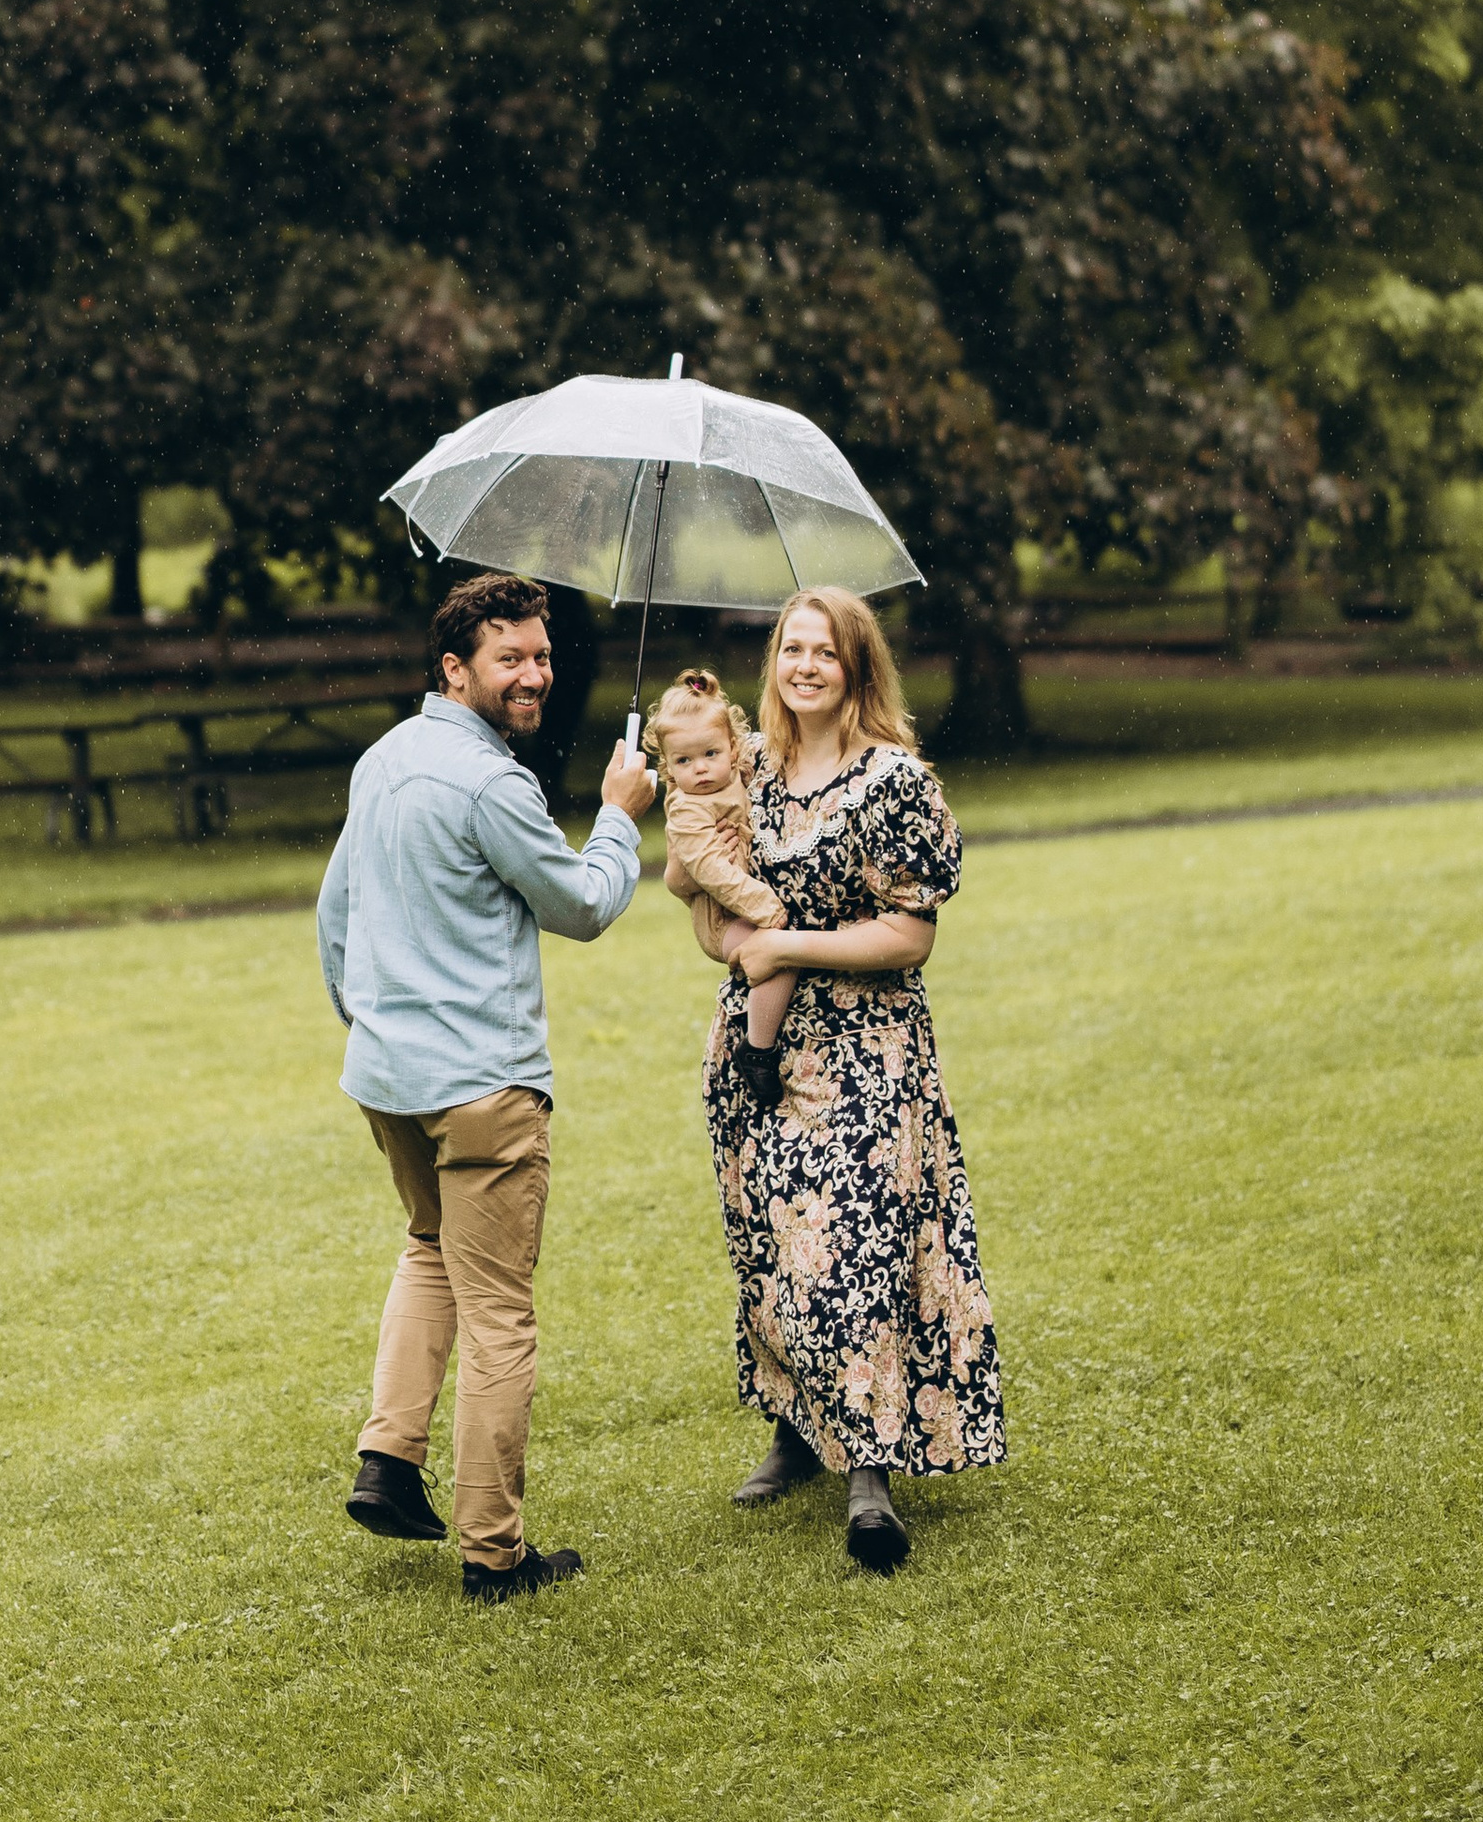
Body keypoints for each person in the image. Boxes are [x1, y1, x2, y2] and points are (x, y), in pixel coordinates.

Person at [318, 569, 652, 1604]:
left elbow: (335, 917)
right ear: (454, 668)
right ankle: (493, 1555)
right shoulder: (491, 784)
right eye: (510, 657)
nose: (534, 674)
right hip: (482, 1090)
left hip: (388, 1080)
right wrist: (620, 813)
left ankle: (387, 1459)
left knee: (430, 1250)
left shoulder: (383, 761)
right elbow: (584, 903)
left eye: (543, 655)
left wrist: (375, 1024)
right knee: (501, 1313)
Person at [701, 586, 1005, 1573]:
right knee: (770, 1251)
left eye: (823, 652)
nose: (803, 666)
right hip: (755, 1045)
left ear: (856, 668)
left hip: (864, 1053)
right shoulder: (750, 773)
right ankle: (793, 1431)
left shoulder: (893, 783)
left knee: (855, 1254)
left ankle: (869, 1472)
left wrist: (788, 939)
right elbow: (712, 907)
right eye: (790, 649)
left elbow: (909, 934)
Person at [646, 669, 796, 1106]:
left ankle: (761, 1039)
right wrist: (764, 906)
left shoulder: (736, 772)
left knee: (780, 951)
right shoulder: (687, 808)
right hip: (721, 919)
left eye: (710, 753)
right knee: (779, 956)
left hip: (745, 906)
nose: (700, 769)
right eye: (684, 762)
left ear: (733, 748)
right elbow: (710, 869)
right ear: (668, 766)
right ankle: (759, 1049)